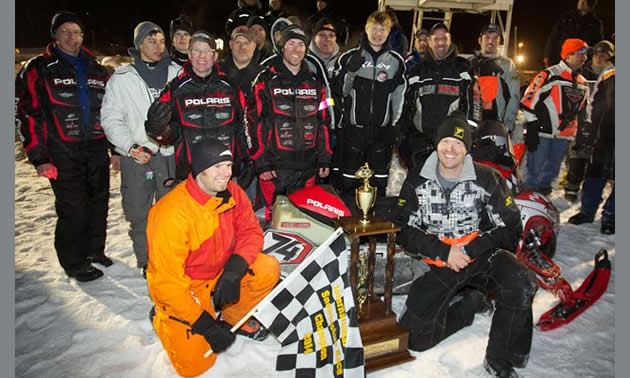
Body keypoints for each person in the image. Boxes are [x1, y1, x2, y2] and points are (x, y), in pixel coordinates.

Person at [387, 112, 536, 378]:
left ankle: (501, 358)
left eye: (458, 143)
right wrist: (444, 251)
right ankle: (470, 304)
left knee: (521, 281)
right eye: (445, 141)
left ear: (467, 148)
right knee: (415, 339)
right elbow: (403, 229)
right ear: (436, 144)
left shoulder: (487, 178)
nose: (450, 149)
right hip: (439, 261)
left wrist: (470, 249)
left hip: (480, 256)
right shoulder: (417, 179)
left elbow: (512, 229)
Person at [146, 138, 280, 377]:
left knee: (267, 269)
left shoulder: (233, 193)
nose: (226, 173)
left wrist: (234, 269)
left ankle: (232, 320)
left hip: (220, 269)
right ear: (199, 169)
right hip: (187, 285)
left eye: (228, 165)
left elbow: (251, 232)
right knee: (195, 367)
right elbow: (167, 283)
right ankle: (162, 317)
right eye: (217, 166)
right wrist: (204, 325)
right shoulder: (171, 214)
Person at [15, 11, 113, 282]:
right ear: (55, 36)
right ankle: (73, 261)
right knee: (74, 208)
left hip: (95, 147)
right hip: (61, 150)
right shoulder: (38, 68)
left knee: (98, 202)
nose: (73, 37)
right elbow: (27, 112)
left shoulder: (96, 68)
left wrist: (115, 149)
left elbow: (110, 112)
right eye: (66, 32)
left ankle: (95, 250)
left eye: (77, 32)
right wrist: (39, 157)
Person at [101, 21, 180, 276]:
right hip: (137, 157)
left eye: (161, 41)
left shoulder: (177, 73)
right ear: (138, 45)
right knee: (139, 213)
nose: (158, 46)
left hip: (169, 156)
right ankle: (147, 260)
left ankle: (170, 258)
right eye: (151, 41)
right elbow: (111, 119)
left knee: (171, 214)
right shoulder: (123, 78)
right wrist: (129, 146)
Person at [145, 31, 250, 190]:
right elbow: (168, 135)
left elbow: (244, 127)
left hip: (225, 174)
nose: (202, 56)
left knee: (225, 215)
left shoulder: (230, 86)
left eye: (207, 51)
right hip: (190, 175)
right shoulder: (175, 88)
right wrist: (157, 129)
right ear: (189, 54)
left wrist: (247, 163)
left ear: (214, 56)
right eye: (196, 50)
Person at [247, 25, 332, 207]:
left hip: (308, 169)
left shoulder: (315, 82)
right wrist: (261, 162)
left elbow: (323, 121)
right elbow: (253, 123)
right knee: (269, 222)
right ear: (282, 47)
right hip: (275, 170)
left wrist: (324, 157)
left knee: (303, 221)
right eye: (291, 43)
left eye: (300, 44)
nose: (296, 49)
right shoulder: (264, 80)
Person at [332, 11, 406, 196]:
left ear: (389, 32)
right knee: (349, 181)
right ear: (366, 29)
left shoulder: (396, 61)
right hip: (354, 131)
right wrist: (351, 72)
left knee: (379, 183)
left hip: (381, 133)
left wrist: (394, 125)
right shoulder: (349, 57)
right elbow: (340, 91)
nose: (378, 34)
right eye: (374, 29)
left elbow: (399, 95)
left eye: (383, 30)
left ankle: (375, 221)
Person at [399, 22, 480, 171]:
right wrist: (404, 139)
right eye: (436, 39)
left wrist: (468, 136)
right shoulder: (416, 71)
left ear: (450, 40)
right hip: (421, 145)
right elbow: (406, 106)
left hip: (452, 145)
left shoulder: (463, 68)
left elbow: (473, 104)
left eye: (445, 38)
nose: (441, 43)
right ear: (429, 42)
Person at [520, 38, 590, 195]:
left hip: (565, 136)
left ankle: (543, 194)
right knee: (533, 171)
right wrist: (531, 127)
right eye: (580, 53)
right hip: (543, 133)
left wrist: (580, 134)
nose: (584, 58)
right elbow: (528, 100)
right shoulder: (550, 74)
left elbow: (583, 111)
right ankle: (527, 197)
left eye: (585, 54)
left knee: (552, 170)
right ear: (568, 55)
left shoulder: (582, 82)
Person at [568, 40, 614, 234]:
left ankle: (610, 217)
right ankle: (588, 211)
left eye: (604, 54)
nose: (599, 57)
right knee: (595, 174)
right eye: (596, 53)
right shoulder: (603, 75)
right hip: (602, 136)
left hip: (610, 134)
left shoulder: (613, 74)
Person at [470, 24, 520, 132]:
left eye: (495, 38)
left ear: (499, 42)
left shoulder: (508, 65)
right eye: (487, 37)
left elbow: (514, 97)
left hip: (495, 124)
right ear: (480, 40)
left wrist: (507, 126)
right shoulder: (470, 63)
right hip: (471, 123)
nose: (490, 42)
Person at [544, 0, 603, 67]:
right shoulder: (566, 18)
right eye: (580, 0)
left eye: (585, 1)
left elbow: (597, 44)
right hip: (562, 58)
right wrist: (548, 55)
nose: (582, 2)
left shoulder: (595, 23)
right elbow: (554, 37)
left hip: (582, 62)